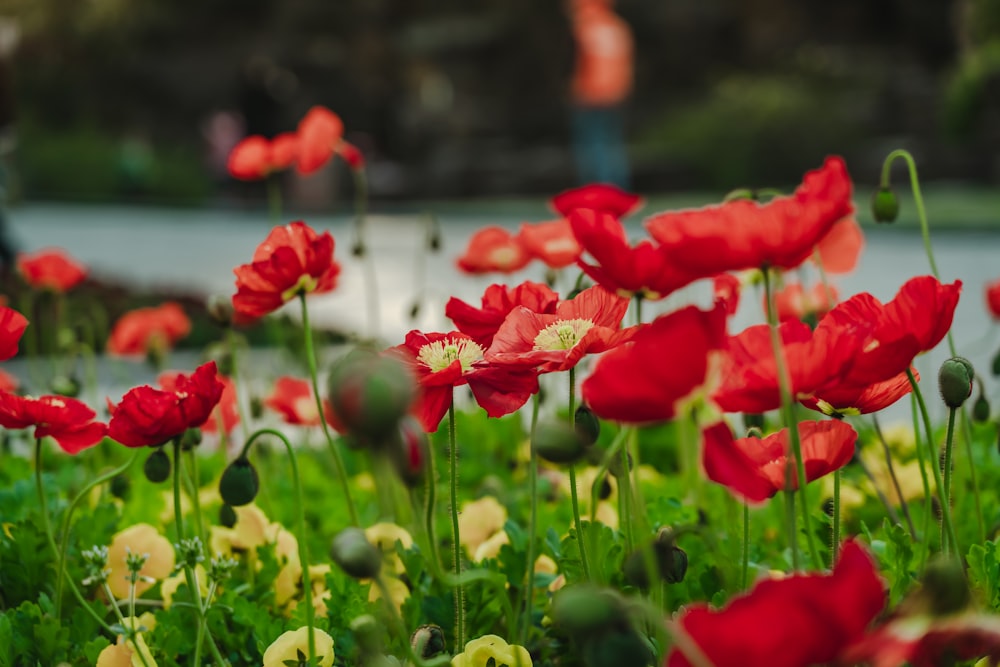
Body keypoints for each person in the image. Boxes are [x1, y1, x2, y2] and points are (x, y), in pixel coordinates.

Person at [567, 0, 634, 189]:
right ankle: (615, 192)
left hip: (593, 95)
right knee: (611, 147)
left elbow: (596, 64)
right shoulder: (617, 27)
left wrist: (587, 90)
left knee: (595, 149)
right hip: (613, 93)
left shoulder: (591, 28)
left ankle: (600, 193)